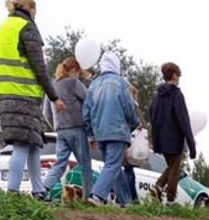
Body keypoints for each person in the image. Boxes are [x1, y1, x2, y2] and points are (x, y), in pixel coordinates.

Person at [0, 0, 66, 198]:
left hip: (2, 94)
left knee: (34, 142)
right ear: (30, 9)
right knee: (22, 143)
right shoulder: (26, 28)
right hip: (23, 94)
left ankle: (38, 190)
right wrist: (54, 96)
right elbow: (39, 67)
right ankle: (13, 191)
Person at [83, 51, 139, 206]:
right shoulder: (120, 83)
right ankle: (97, 196)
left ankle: (124, 201)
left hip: (99, 132)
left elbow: (86, 112)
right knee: (113, 165)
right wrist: (135, 124)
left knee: (112, 165)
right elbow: (128, 107)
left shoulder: (93, 85)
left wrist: (90, 134)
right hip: (117, 131)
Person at [42, 57, 92, 200]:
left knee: (60, 163)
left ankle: (43, 188)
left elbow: (45, 112)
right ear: (74, 70)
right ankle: (88, 198)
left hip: (61, 131)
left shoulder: (52, 86)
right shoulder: (74, 83)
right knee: (85, 165)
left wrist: (56, 125)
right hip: (77, 128)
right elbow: (89, 101)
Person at [148, 62, 196, 205]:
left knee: (172, 166)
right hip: (174, 138)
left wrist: (155, 137)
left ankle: (158, 187)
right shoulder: (177, 94)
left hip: (160, 139)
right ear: (174, 75)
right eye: (179, 75)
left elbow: (151, 116)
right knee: (175, 167)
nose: (179, 77)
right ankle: (170, 198)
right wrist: (191, 144)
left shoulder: (156, 97)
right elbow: (183, 120)